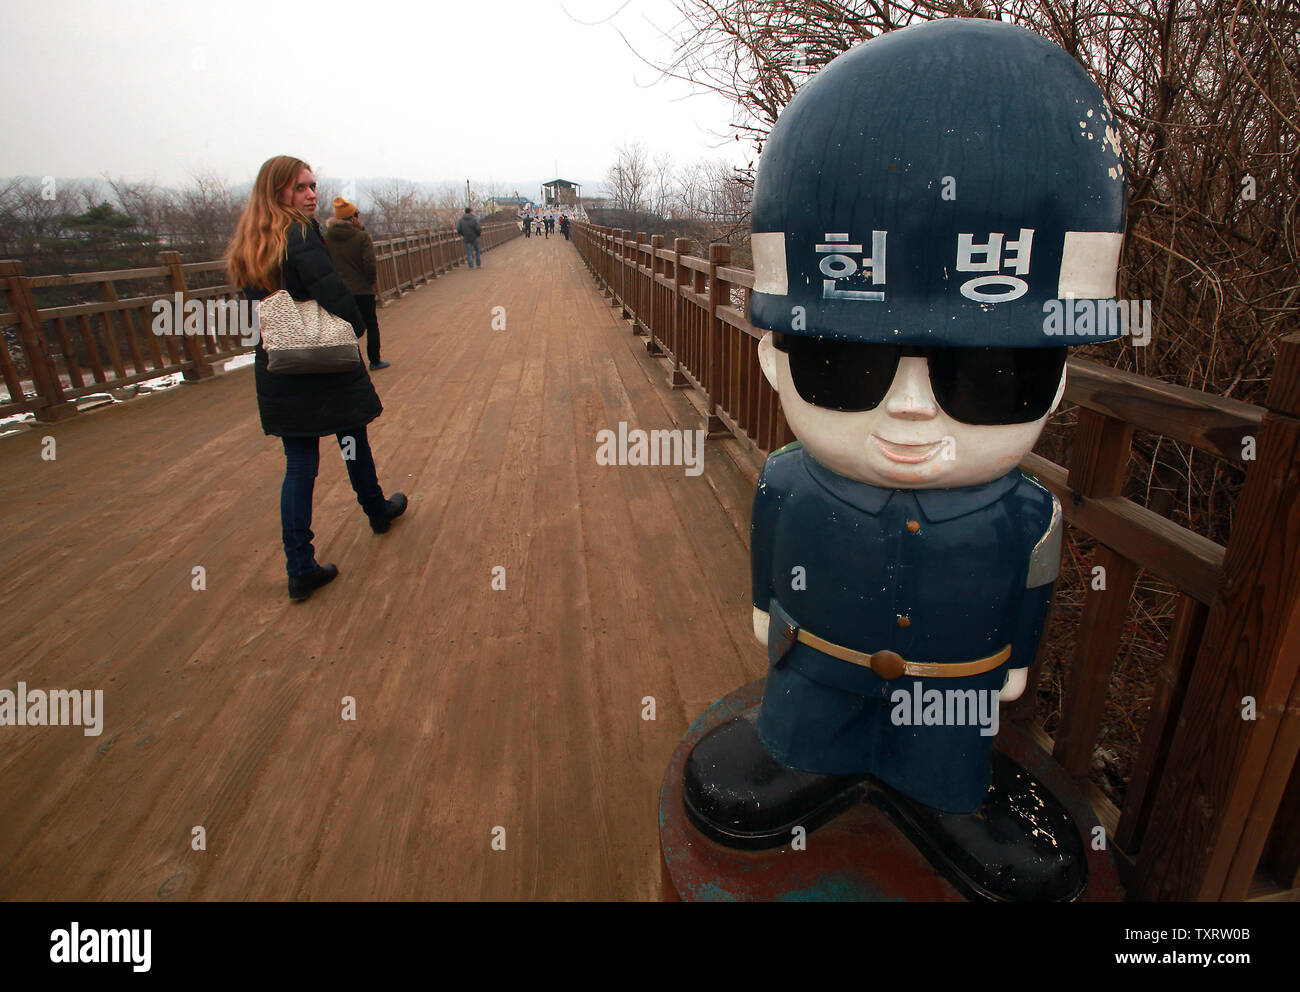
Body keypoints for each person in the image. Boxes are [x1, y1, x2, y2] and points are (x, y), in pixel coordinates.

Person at [225, 155, 407, 602]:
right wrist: (356, 325)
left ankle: (300, 566)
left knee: (300, 463)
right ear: (278, 191)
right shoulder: (300, 233)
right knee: (352, 441)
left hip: (282, 363)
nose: (311, 194)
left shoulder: (252, 241)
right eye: (301, 187)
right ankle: (376, 510)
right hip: (323, 361)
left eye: (312, 186)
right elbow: (332, 293)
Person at [324, 196, 388, 371]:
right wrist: (370, 283)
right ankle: (374, 360)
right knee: (371, 325)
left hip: (339, 291)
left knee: (345, 328)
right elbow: (369, 264)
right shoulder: (362, 237)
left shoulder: (327, 238)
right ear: (352, 217)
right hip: (362, 290)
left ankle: (350, 362)